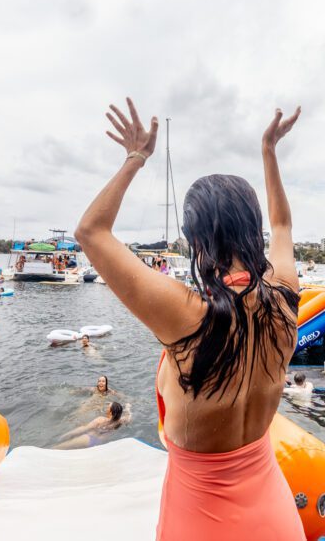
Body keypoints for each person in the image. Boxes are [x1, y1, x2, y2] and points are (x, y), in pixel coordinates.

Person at [74, 99, 305, 539]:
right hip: (276, 516)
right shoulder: (285, 297)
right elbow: (283, 226)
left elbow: (90, 232)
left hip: (199, 520)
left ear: (196, 239)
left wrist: (136, 157)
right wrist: (269, 151)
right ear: (251, 228)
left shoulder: (186, 316)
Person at [55, 401, 131, 449]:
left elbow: (84, 428)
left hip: (88, 439)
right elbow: (129, 416)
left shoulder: (101, 419)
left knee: (59, 447)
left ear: (110, 412)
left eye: (108, 407)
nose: (106, 408)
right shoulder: (121, 421)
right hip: (98, 443)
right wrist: (128, 407)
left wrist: (67, 434)